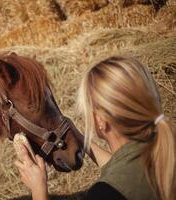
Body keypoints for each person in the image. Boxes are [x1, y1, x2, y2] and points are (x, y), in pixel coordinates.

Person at [14, 56, 176, 200]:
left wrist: (39, 191)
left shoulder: (105, 193)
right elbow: (121, 167)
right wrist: (80, 137)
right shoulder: (162, 148)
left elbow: (120, 179)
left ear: (100, 120)